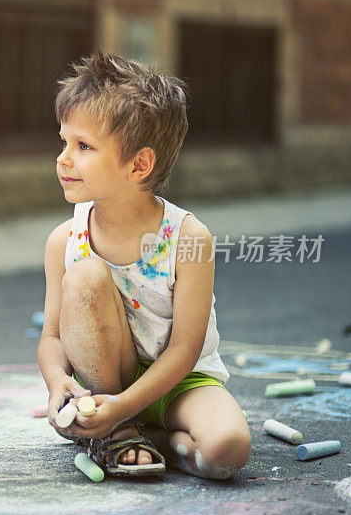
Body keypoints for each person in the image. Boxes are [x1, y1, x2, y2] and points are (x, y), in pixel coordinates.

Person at [38, 52, 251, 479]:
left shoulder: (190, 239)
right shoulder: (65, 240)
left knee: (228, 450)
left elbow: (184, 350)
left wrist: (124, 407)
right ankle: (120, 428)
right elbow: (52, 336)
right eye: (64, 141)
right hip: (105, 381)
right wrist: (59, 384)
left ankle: (143, 434)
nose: (63, 158)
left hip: (178, 384)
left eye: (83, 146)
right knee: (84, 276)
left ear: (139, 164)